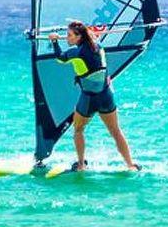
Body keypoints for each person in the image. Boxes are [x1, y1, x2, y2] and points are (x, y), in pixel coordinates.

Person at [43, 20, 139, 171]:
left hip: (89, 99)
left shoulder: (76, 53)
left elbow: (60, 58)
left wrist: (54, 41)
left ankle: (81, 165)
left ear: (79, 37)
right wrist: (89, 32)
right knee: (115, 131)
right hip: (106, 96)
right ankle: (130, 165)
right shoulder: (99, 46)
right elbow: (92, 39)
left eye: (69, 35)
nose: (67, 38)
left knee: (78, 129)